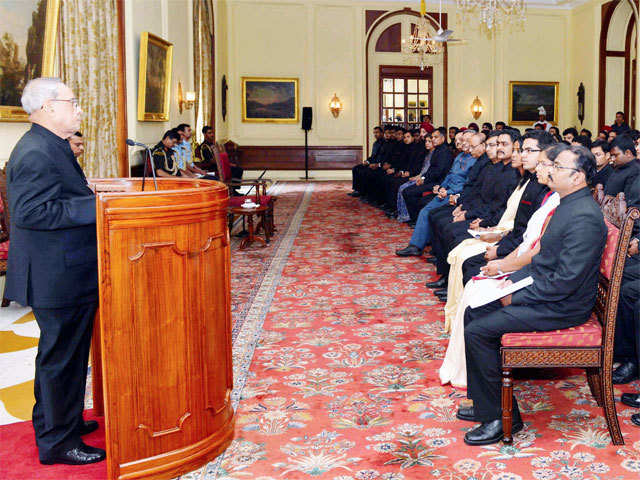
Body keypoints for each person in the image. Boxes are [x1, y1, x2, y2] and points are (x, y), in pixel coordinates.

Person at [460, 144, 606, 446]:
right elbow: (544, 261)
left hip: (563, 306)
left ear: (578, 177)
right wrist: (509, 281)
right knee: (474, 310)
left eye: (558, 167)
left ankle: (499, 420)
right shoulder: (567, 203)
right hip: (548, 292)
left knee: (478, 330)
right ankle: (489, 404)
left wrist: (515, 296)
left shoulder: (584, 216)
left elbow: (565, 281)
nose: (549, 169)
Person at [5, 77, 105, 465]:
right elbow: (32, 213)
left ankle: (60, 422)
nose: (78, 109)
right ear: (47, 107)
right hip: (56, 275)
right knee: (60, 358)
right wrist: (96, 207)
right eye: (72, 102)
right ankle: (58, 444)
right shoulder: (35, 152)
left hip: (67, 270)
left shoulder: (52, 146)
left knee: (66, 356)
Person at [439, 145, 558, 388]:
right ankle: (481, 388)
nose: (522, 156)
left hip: (546, 291)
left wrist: (504, 266)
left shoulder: (567, 206)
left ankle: (490, 397)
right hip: (525, 263)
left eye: (550, 164)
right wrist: (504, 262)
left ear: (576, 176)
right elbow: (528, 240)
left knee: (477, 306)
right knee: (475, 285)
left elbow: (539, 252)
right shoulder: (546, 193)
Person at [396, 131, 480, 256]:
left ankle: (418, 246)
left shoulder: (475, 160)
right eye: (462, 140)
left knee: (429, 212)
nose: (463, 143)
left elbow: (468, 185)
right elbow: (450, 175)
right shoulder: (460, 156)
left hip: (456, 195)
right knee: (425, 210)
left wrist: (448, 192)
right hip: (446, 191)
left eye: (467, 141)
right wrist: (441, 187)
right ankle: (416, 245)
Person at [401, 127, 454, 224]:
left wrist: (424, 180)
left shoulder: (445, 152)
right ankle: (415, 219)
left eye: (435, 137)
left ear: (443, 138)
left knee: (409, 192)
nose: (433, 139)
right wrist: (422, 177)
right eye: (432, 137)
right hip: (430, 180)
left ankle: (416, 220)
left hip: (438, 182)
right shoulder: (438, 150)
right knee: (407, 191)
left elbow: (439, 172)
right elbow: (430, 169)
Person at [396, 133, 434, 223]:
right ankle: (403, 214)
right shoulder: (427, 153)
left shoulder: (435, 154)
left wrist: (419, 177)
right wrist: (416, 176)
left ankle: (408, 216)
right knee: (401, 187)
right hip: (421, 176)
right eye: (426, 141)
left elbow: (429, 172)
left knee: (405, 189)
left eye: (429, 141)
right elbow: (422, 169)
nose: (427, 144)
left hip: (427, 180)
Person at [350, 126, 384, 197]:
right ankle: (357, 190)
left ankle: (365, 193)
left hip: (379, 165)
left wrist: (377, 164)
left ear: (382, 133)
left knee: (365, 172)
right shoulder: (375, 143)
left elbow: (384, 158)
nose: (375, 134)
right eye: (374, 133)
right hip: (372, 163)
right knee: (356, 168)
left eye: (377, 132)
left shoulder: (385, 143)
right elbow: (372, 156)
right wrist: (367, 161)